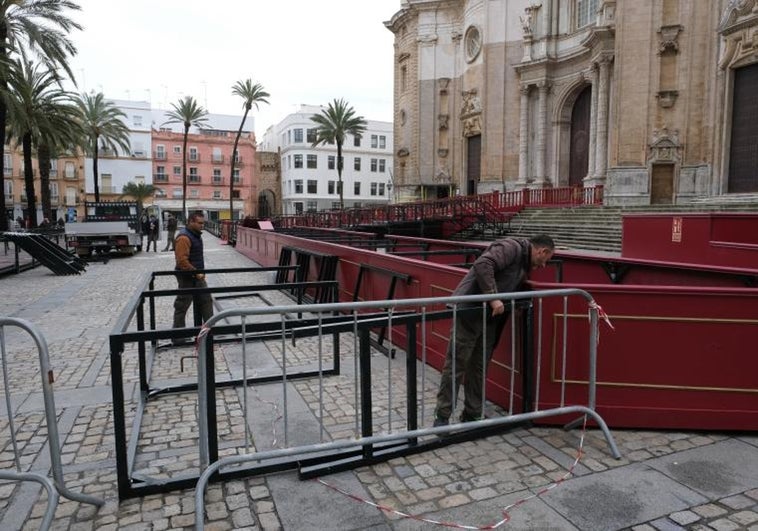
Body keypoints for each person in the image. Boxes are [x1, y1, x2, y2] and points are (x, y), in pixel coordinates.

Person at [433, 234, 555, 426]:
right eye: (545, 260)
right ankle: (442, 415)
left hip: (489, 319)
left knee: (479, 366)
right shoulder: (511, 247)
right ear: (542, 251)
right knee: (456, 364)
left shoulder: (523, 260)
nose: (543, 266)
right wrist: (493, 297)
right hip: (471, 313)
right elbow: (483, 264)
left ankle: (472, 413)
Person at [172, 212, 213, 344]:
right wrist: (196, 273)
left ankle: (209, 333)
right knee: (182, 305)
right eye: (199, 223)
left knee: (206, 301)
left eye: (203, 223)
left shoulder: (194, 235)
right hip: (187, 277)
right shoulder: (184, 237)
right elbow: (182, 261)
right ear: (190, 222)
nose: (202, 225)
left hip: (196, 275)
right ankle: (178, 336)